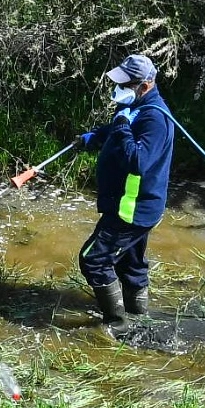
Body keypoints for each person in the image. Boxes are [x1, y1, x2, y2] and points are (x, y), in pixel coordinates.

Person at [77, 53, 175, 334]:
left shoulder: (155, 119)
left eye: (125, 84)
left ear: (144, 86)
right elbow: (119, 128)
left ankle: (116, 326)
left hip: (131, 210)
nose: (118, 89)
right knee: (131, 263)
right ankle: (137, 314)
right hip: (131, 206)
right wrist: (94, 137)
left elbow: (138, 162)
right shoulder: (139, 108)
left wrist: (119, 128)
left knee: (93, 259)